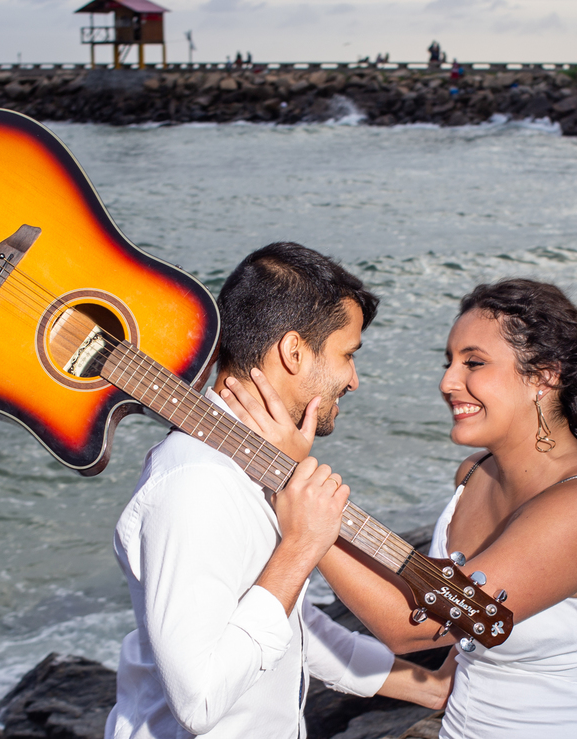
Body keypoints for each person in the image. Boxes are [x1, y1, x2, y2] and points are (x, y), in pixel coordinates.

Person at [224, 279, 577, 738]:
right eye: (449, 362)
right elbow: (456, 604)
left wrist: (294, 487)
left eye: (474, 363)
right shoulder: (474, 475)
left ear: (544, 377)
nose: (448, 382)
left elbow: (413, 626)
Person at [105, 243, 453, 739]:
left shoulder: (250, 465)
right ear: (293, 352)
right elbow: (198, 699)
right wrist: (303, 543)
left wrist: (427, 687)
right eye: (347, 355)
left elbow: (291, 628)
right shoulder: (196, 481)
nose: (354, 380)